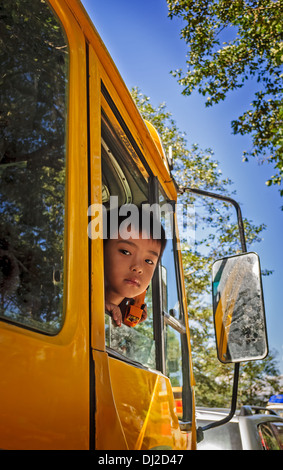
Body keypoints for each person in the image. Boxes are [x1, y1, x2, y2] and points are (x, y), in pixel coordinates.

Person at [103, 206, 166, 327]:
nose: (138, 267)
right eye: (125, 252)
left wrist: (124, 322)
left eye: (148, 261)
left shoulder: (113, 321)